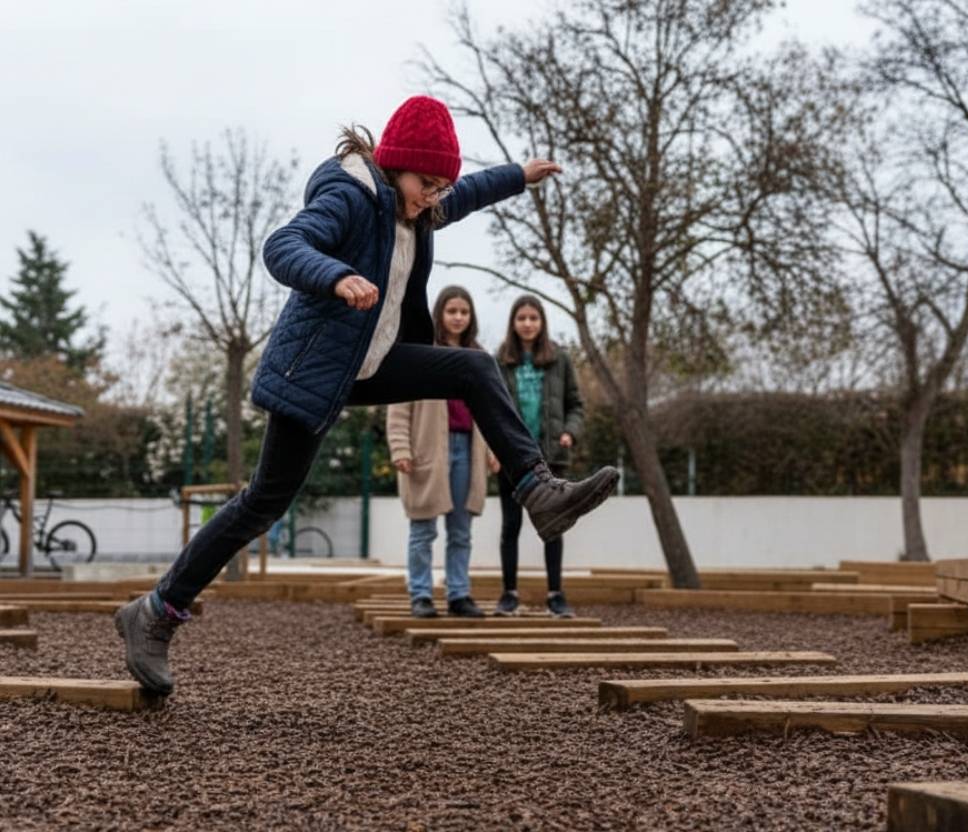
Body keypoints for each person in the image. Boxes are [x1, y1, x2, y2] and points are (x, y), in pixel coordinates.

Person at [115, 96, 619, 695]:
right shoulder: (351, 196)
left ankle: (537, 489)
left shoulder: (420, 206)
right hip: (317, 370)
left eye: (439, 188)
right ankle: (155, 613)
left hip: (375, 363)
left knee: (473, 367)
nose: (433, 198)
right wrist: (335, 275)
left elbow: (467, 191)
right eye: (426, 185)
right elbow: (284, 244)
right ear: (394, 166)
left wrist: (519, 176)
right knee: (263, 502)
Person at [387, 285, 492, 619]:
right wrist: (401, 448)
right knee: (423, 527)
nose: (458, 317)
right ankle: (420, 594)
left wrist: (495, 449)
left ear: (470, 317)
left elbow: (493, 410)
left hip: (468, 450)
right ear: (440, 315)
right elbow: (399, 406)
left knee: (461, 529)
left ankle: (459, 594)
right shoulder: (422, 352)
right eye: (452, 311)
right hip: (427, 450)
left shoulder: (479, 356)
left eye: (464, 312)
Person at [493, 295, 585, 619]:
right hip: (511, 459)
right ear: (513, 322)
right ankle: (508, 595)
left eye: (534, 318)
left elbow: (576, 405)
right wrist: (493, 448)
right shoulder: (500, 359)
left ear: (542, 321)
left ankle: (556, 596)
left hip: (551, 458)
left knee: (554, 526)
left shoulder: (559, 358)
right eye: (522, 318)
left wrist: (570, 433)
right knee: (511, 526)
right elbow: (490, 409)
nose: (528, 324)